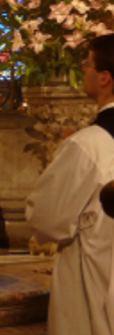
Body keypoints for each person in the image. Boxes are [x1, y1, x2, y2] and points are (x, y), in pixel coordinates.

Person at [26, 33, 114, 335]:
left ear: (105, 78)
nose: (84, 71)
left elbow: (46, 219)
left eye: (88, 65)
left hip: (95, 286)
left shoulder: (86, 146)